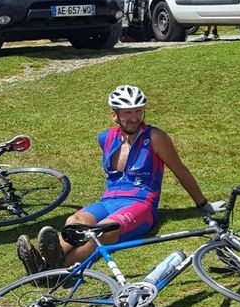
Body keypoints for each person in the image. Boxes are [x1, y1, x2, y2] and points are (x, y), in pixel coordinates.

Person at [17, 85, 215, 273]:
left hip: (141, 204)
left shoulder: (156, 137)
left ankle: (52, 270)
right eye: (127, 113)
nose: (134, 118)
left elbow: (180, 169)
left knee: (103, 231)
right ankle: (43, 263)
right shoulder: (105, 138)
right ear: (115, 115)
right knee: (74, 221)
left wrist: (203, 204)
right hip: (109, 201)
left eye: (138, 111)